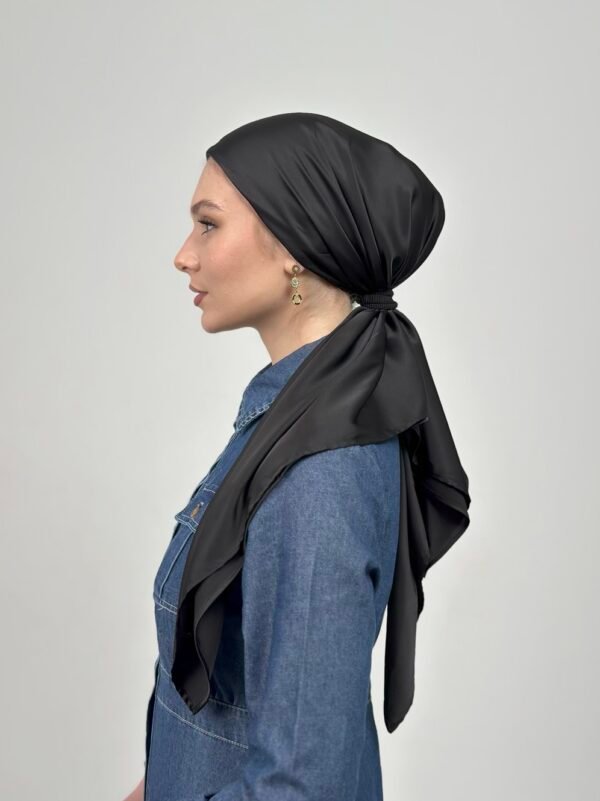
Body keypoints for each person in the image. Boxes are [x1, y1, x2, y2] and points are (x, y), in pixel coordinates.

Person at [125, 112, 470, 801]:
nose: (184, 255)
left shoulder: (318, 473)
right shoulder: (297, 418)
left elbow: (300, 786)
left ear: (292, 246)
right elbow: (236, 705)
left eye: (208, 224)